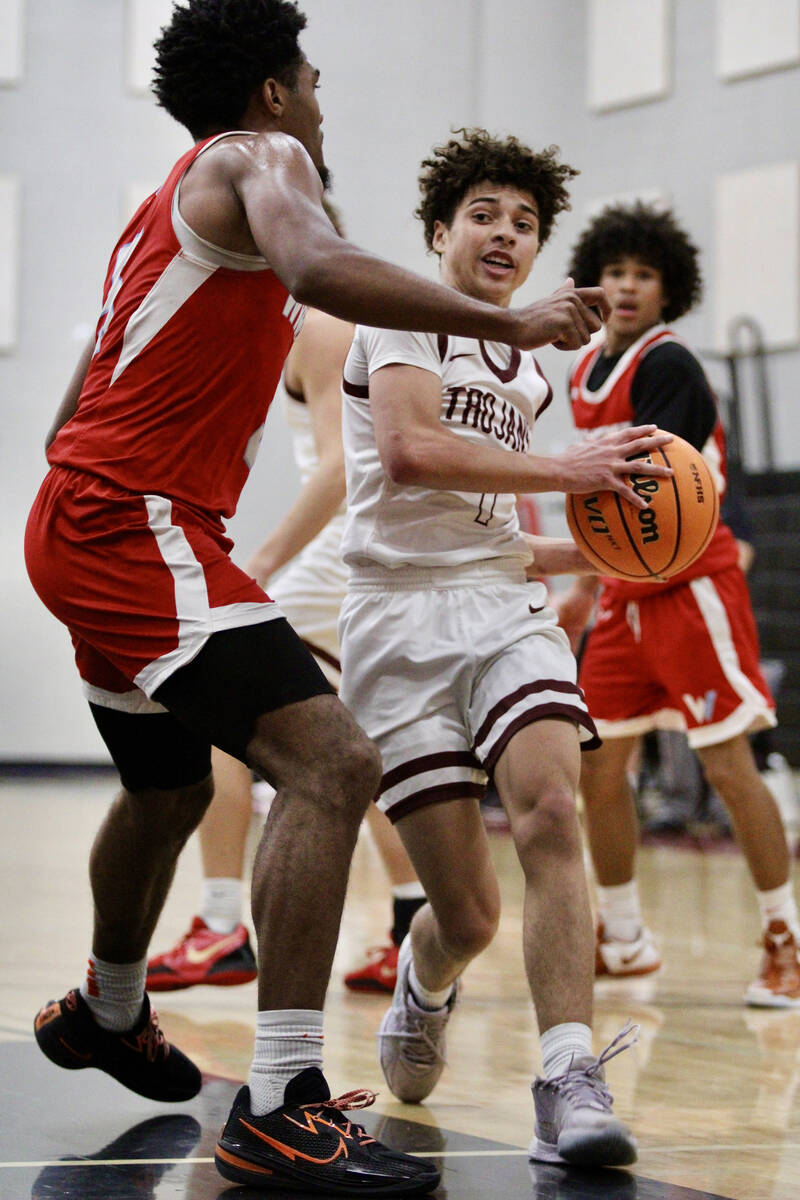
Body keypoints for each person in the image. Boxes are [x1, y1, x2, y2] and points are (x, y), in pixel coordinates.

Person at [22, 2, 629, 1191]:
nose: (318, 102)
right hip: (135, 520)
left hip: (89, 513)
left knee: (165, 784)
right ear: (269, 93)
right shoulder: (263, 160)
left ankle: (108, 1006)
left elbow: (77, 397)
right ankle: (281, 1101)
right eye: (309, 80)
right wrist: (498, 317)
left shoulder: (164, 211)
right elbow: (314, 264)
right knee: (331, 765)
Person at [336, 128, 674, 1168]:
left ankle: (566, 1075)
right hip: (394, 619)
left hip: (497, 606)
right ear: (439, 233)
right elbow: (410, 453)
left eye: (524, 223)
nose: (503, 233)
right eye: (482, 214)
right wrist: (568, 473)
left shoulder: (532, 366)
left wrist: (589, 553)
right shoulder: (394, 316)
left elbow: (493, 512)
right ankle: (424, 979)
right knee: (469, 913)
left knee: (550, 809)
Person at [145, 217, 425, 996]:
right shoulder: (313, 316)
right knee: (341, 748)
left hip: (338, 548)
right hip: (354, 548)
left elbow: (339, 469)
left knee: (215, 710)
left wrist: (261, 561)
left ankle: (222, 923)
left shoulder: (326, 320)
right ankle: (411, 927)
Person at [556, 202, 798, 1006]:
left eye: (643, 274)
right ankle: (623, 937)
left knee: (727, 762)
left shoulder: (671, 366)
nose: (626, 286)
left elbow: (647, 490)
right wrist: (587, 588)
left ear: (669, 289)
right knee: (600, 765)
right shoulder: (583, 370)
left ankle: (784, 937)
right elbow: (600, 512)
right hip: (625, 594)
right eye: (615, 271)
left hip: (691, 585)